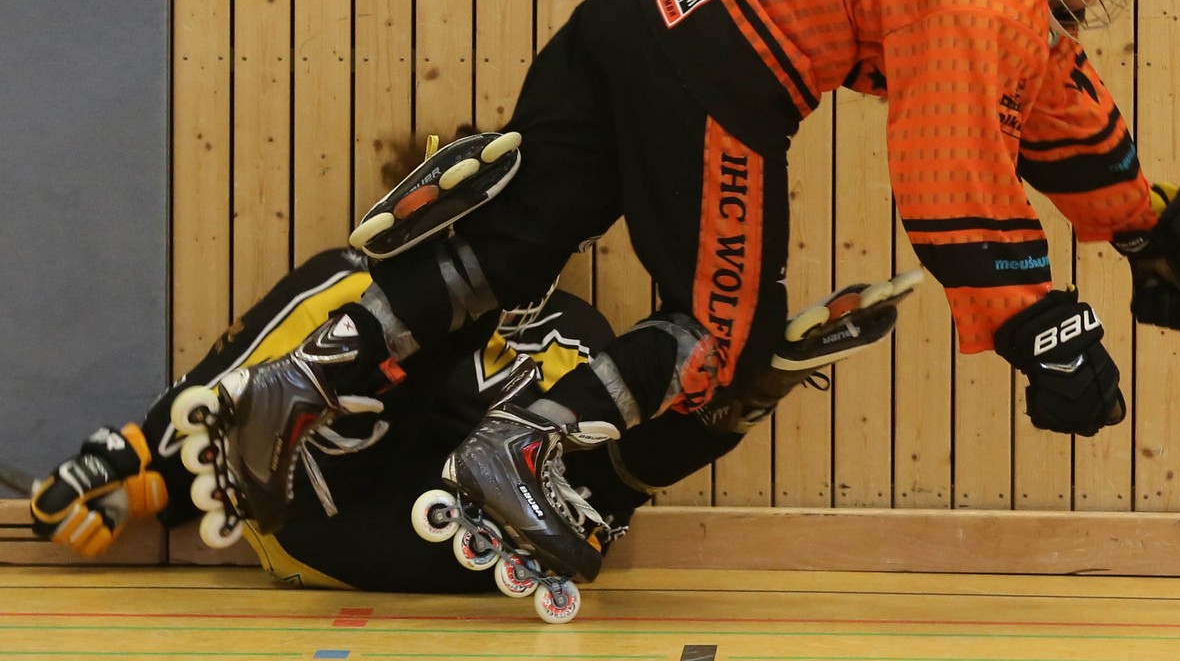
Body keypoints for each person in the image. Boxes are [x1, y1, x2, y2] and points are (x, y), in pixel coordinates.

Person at [94, 0, 1180, 597]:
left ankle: (311, 373)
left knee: (511, 242)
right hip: (721, 68)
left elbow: (1051, 105)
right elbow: (950, 177)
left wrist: (1150, 222)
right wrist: (1040, 328)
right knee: (723, 337)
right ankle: (520, 448)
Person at [27, 245, 915, 595]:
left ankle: (742, 389)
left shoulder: (579, 330)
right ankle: (141, 452)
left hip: (425, 536)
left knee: (590, 481)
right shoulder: (400, 310)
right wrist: (149, 487)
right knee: (350, 295)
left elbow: (603, 486)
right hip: (323, 507)